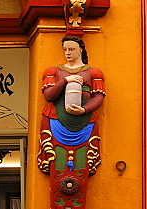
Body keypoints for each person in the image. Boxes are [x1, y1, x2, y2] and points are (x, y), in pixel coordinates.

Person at [37, 35, 105, 176]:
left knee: (82, 161)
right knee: (57, 161)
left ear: (80, 50)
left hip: (85, 123)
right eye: (65, 49)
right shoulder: (53, 72)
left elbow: (98, 97)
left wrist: (84, 109)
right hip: (56, 120)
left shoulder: (94, 72)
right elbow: (49, 96)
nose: (68, 52)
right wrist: (65, 81)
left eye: (71, 49)